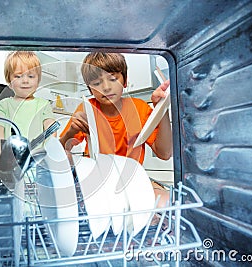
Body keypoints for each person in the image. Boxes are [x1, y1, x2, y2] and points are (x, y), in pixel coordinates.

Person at [59, 52, 172, 206]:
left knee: (164, 201)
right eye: (97, 83)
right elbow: (59, 153)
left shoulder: (139, 108)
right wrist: (71, 131)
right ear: (90, 89)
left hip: (130, 181)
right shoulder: (87, 109)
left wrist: (162, 108)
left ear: (124, 81)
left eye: (113, 79)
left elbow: (165, 153)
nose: (106, 87)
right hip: (95, 183)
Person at [0, 51, 55, 160]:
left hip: (37, 160)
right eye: (18, 76)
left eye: (31, 76)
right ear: (9, 81)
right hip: (11, 159)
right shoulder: (3, 105)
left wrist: (51, 150)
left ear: (38, 80)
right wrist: (0, 150)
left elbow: (51, 128)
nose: (25, 81)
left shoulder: (44, 104)